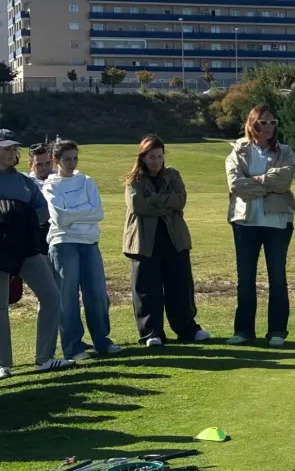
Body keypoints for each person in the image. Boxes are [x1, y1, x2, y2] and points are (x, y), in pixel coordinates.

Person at [0, 129, 75, 379]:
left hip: (26, 250)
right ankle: (3, 364)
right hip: (1, 253)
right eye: (7, 149)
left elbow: (42, 210)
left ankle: (44, 359)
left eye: (13, 149)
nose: (12, 153)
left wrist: (22, 221)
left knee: (52, 296)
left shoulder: (23, 181)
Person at [123, 135, 210, 347]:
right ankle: (151, 332)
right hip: (144, 242)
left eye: (160, 156)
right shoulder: (134, 180)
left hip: (174, 239)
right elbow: (137, 205)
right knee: (146, 288)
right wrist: (165, 204)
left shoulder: (173, 175)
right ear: (142, 157)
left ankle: (187, 329)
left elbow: (180, 199)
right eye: (152, 157)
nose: (156, 161)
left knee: (180, 286)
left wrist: (154, 201)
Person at [225, 104, 295, 347]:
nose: (268, 127)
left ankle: (277, 330)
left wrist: (256, 180)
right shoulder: (238, 150)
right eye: (263, 122)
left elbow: (286, 179)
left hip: (277, 222)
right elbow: (236, 184)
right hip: (245, 222)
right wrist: (269, 184)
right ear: (252, 124)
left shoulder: (284, 151)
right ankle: (244, 331)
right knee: (245, 278)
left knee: (277, 277)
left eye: (272, 122)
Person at [42, 140, 120, 360]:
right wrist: (82, 211)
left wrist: (73, 213)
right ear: (56, 160)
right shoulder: (50, 186)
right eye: (67, 159)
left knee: (97, 293)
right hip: (63, 243)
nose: (72, 163)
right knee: (67, 297)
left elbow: (98, 213)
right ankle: (73, 347)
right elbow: (59, 218)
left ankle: (102, 341)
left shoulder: (86, 181)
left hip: (89, 242)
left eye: (75, 158)